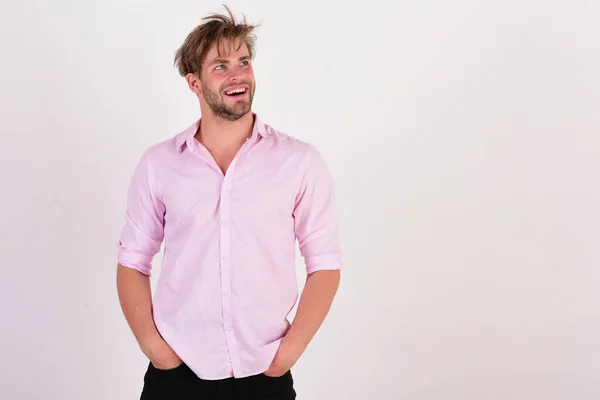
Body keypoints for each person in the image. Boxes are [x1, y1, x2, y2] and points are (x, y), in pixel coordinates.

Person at [115, 5, 342, 400]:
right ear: (194, 83)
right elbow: (133, 261)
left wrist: (288, 354)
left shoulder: (299, 161)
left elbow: (324, 264)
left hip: (265, 375)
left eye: (244, 61)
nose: (238, 74)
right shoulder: (159, 164)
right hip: (176, 376)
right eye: (220, 66)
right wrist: (155, 349)